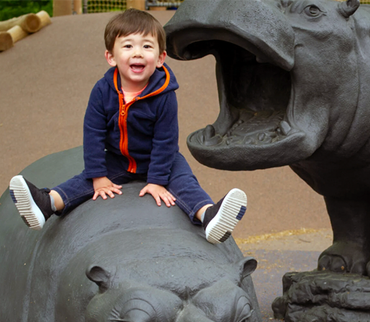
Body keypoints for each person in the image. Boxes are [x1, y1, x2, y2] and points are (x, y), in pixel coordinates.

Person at [9, 9, 246, 244]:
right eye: (128, 46)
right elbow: (93, 133)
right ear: (111, 57)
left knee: (184, 181)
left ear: (161, 57)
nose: (138, 53)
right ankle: (48, 203)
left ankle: (208, 215)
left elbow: (165, 140)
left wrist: (156, 180)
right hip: (118, 159)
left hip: (161, 159)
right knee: (84, 180)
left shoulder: (164, 95)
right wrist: (98, 175)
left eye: (146, 46)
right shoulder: (103, 91)